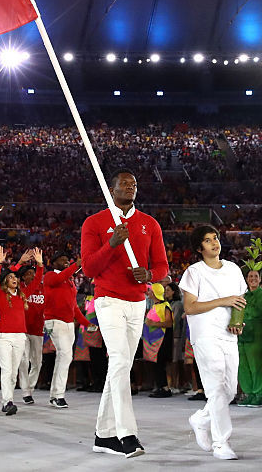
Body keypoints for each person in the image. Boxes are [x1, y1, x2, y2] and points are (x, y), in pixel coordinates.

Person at [81, 170, 169, 459]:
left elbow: (162, 268)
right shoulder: (94, 223)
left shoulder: (149, 224)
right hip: (107, 301)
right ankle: (125, 433)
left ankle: (103, 436)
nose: (131, 187)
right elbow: (90, 269)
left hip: (136, 302)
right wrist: (112, 244)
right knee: (119, 360)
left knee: (120, 367)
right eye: (125, 184)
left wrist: (150, 274)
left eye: (134, 183)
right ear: (112, 189)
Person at [180, 225, 248, 461]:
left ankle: (201, 419)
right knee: (217, 387)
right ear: (200, 249)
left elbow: (240, 301)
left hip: (229, 335)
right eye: (208, 241)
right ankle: (221, 442)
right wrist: (223, 301)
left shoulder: (233, 269)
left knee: (228, 390)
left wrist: (238, 322)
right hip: (206, 335)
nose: (214, 243)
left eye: (216, 238)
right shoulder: (193, 272)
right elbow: (190, 307)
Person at [0, 247, 42, 415]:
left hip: (20, 337)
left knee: (14, 371)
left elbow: (36, 281)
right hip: (4, 337)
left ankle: (7, 400)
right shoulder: (0, 294)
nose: (14, 278)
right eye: (10, 277)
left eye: (15, 277)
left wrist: (40, 265)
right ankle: (7, 401)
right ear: (5, 282)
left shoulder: (23, 294)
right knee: (7, 370)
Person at [43, 252, 92, 408]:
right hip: (55, 321)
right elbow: (59, 278)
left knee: (64, 357)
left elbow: (74, 306)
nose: (65, 261)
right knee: (65, 355)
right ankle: (58, 395)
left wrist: (85, 323)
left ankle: (54, 394)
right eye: (62, 259)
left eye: (67, 260)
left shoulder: (69, 280)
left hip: (69, 323)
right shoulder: (50, 275)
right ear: (53, 262)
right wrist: (75, 265)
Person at [237, 265, 262, 407]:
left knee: (256, 365)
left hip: (256, 333)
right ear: (246, 279)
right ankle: (249, 393)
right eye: (250, 276)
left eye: (255, 277)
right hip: (242, 334)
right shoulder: (243, 294)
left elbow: (256, 312)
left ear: (259, 279)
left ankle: (259, 394)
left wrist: (243, 308)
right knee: (243, 366)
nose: (253, 279)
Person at [18, 255, 46, 405]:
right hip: (23, 330)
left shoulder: (42, 289)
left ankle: (30, 387)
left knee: (37, 362)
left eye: (34, 274)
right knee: (24, 361)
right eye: (28, 274)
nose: (32, 276)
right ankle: (25, 392)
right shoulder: (20, 290)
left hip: (37, 330)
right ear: (23, 277)